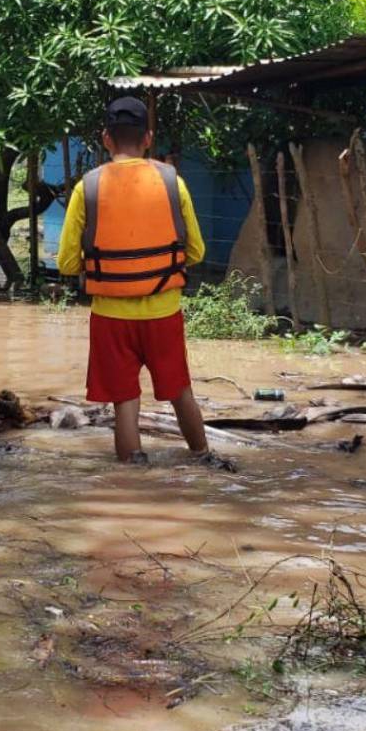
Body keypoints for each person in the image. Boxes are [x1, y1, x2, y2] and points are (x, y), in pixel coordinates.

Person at [57, 96, 216, 466]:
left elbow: (66, 263)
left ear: (105, 139)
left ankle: (132, 476)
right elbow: (196, 252)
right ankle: (204, 457)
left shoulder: (87, 187)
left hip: (111, 317)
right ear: (148, 138)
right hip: (164, 313)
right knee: (180, 392)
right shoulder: (172, 181)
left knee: (125, 402)